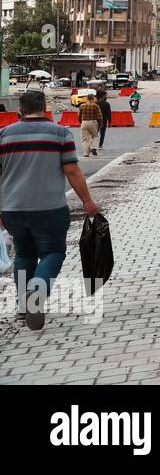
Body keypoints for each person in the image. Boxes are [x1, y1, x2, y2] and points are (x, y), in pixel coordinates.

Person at [0, 90, 101, 330]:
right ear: (45, 108)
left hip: (12, 209)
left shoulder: (3, 135)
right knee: (52, 253)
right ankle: (37, 289)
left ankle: (23, 306)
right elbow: (72, 171)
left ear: (19, 111)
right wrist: (87, 201)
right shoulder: (60, 133)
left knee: (23, 254)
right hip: (49, 208)